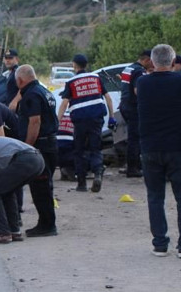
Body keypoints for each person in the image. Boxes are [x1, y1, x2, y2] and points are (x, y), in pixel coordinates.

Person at [137, 44, 181, 258]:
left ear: (152, 62)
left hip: (151, 146)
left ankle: (160, 244)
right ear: (173, 62)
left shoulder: (142, 82)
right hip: (179, 146)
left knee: (155, 197)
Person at [0, 137, 46, 244]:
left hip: (25, 159)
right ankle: (14, 231)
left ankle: (3, 233)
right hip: (38, 160)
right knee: (6, 191)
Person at [57, 54, 115, 192]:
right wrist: (112, 117)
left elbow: (64, 103)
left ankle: (81, 184)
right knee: (95, 148)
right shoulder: (96, 78)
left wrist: (57, 121)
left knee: (79, 150)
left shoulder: (71, 82)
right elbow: (108, 98)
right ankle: (97, 173)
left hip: (80, 120)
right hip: (96, 118)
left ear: (74, 65)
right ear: (86, 65)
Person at [15, 64, 59, 237]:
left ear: (20, 80)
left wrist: (27, 147)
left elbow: (35, 122)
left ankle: (47, 225)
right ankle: (46, 223)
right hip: (51, 144)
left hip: (40, 145)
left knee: (40, 186)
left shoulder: (31, 95)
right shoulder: (44, 91)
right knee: (45, 186)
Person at [118, 49, 152, 177]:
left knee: (132, 138)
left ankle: (132, 165)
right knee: (135, 139)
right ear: (147, 60)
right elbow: (139, 91)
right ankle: (133, 168)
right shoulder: (139, 71)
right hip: (133, 107)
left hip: (124, 105)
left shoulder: (128, 68)